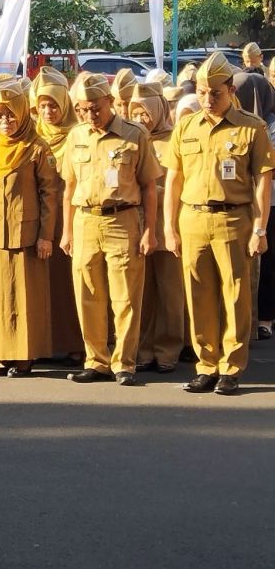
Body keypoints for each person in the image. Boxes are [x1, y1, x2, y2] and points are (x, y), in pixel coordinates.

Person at [162, 52, 274, 394]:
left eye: (216, 93)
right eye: (202, 91)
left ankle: (231, 367)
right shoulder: (186, 126)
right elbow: (174, 180)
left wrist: (259, 228)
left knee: (236, 295)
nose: (208, 99)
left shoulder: (251, 128)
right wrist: (170, 227)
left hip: (233, 218)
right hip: (193, 217)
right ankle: (206, 364)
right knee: (198, 295)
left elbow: (262, 182)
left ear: (230, 90)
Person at [58, 73, 160, 385]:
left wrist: (150, 231)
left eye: (95, 108)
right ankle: (96, 360)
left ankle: (124, 364)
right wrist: (67, 231)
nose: (90, 115)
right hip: (85, 219)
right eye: (83, 109)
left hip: (123, 219)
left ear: (109, 103)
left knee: (125, 296)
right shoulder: (76, 136)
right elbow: (68, 187)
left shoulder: (134, 134)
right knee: (87, 294)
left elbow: (149, 188)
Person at [0, 79, 59, 376]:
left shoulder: (36, 148)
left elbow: (49, 195)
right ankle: (2, 354)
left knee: (25, 297)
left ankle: (25, 355)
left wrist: (45, 236)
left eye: (10, 114)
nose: (5, 121)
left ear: (21, 112)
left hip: (25, 234)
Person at [129, 82, 184, 373]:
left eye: (145, 112)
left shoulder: (174, 138)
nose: (141, 118)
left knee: (170, 292)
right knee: (142, 293)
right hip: (135, 225)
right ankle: (143, 348)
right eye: (135, 111)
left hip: (167, 224)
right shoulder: (130, 137)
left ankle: (168, 349)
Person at [33, 67, 85, 366]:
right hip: (41, 222)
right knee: (43, 287)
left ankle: (75, 343)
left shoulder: (77, 136)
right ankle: (45, 343)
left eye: (53, 105)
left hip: (69, 220)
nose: (48, 111)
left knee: (69, 286)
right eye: (42, 106)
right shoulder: (35, 137)